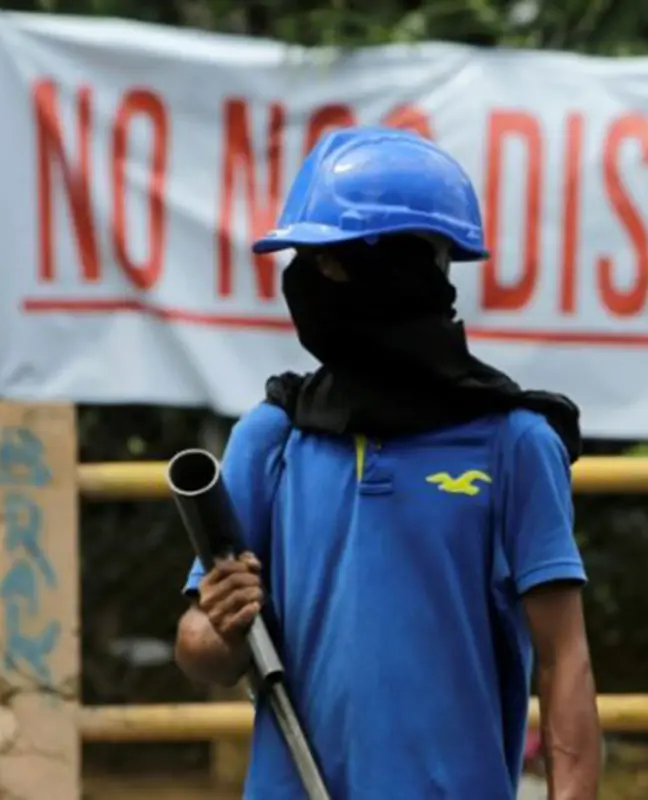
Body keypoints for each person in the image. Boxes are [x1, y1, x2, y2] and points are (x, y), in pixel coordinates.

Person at [174, 126, 601, 800]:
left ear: (403, 271)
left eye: (331, 261)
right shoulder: (272, 436)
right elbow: (203, 652)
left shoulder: (514, 443)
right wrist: (218, 623)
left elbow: (564, 658)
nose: (309, 283)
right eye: (305, 263)